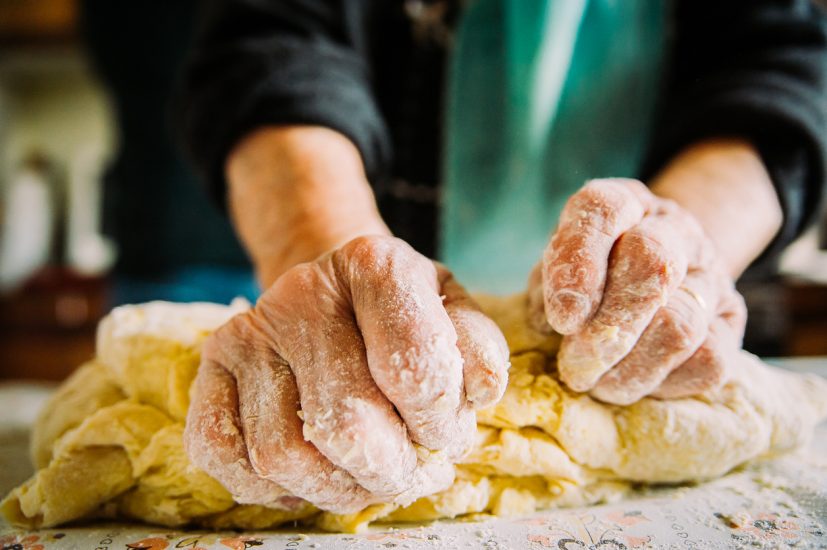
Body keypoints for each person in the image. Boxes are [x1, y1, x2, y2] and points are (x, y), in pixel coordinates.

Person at [175, 0, 827, 514]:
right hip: (325, 235)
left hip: (671, 337)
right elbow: (274, 42)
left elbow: (775, 61)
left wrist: (672, 256)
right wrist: (323, 253)